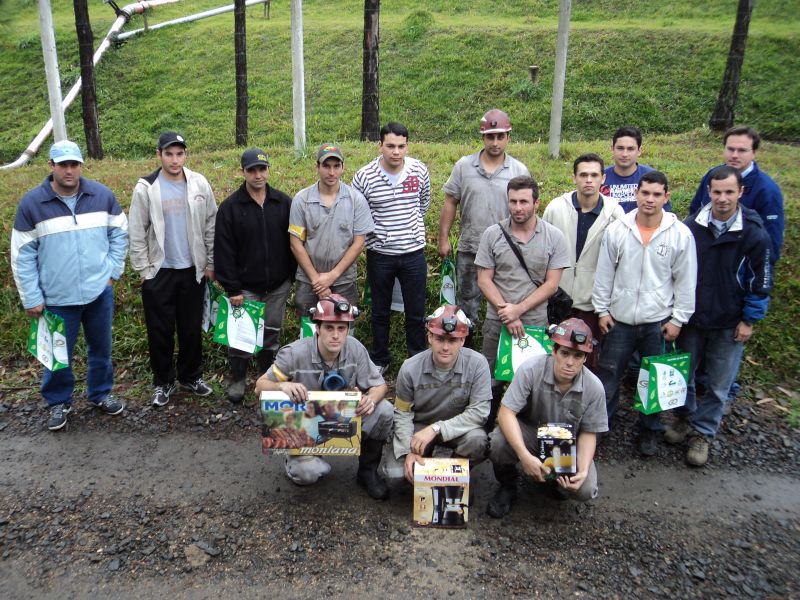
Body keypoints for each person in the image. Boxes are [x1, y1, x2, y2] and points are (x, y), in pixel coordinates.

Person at [11, 140, 128, 430]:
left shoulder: (101, 195)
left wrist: (112, 271)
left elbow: (120, 234)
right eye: (62, 164)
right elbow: (22, 255)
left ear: (81, 166)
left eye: (74, 164)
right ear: (50, 166)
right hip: (56, 298)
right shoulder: (32, 204)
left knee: (101, 349)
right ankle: (58, 402)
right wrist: (31, 297)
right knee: (57, 355)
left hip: (98, 293)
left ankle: (100, 393)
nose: (69, 170)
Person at [665, 166, 772, 466]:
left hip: (730, 321)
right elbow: (676, 272)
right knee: (683, 375)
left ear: (741, 192)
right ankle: (683, 418)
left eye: (729, 192)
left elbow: (760, 280)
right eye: (717, 192)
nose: (722, 198)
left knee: (717, 383)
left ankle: (703, 432)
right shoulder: (691, 227)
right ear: (708, 192)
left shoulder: (753, 233)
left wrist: (749, 319)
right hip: (692, 318)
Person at [592, 170, 697, 456]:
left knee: (654, 379)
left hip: (657, 322)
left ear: (667, 197)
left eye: (656, 194)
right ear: (636, 193)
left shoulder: (679, 234)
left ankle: (650, 430)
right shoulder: (618, 230)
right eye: (645, 193)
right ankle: (600, 426)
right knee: (609, 376)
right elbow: (604, 273)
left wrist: (678, 319)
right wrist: (601, 310)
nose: (649, 199)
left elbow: (685, 280)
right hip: (619, 320)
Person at [255, 295, 393, 499]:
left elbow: (380, 385)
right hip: (305, 423)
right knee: (307, 475)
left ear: (348, 329)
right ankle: (297, 458)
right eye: (329, 327)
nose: (336, 335)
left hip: (343, 418)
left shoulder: (355, 348)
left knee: (384, 410)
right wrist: (283, 385)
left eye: (342, 328)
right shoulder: (294, 353)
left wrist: (369, 398)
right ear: (317, 328)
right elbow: (260, 387)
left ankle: (367, 471)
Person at [486, 318, 608, 518]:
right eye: (565, 353)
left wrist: (583, 469)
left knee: (585, 488)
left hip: (566, 443)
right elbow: (506, 413)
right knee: (497, 442)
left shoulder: (594, 387)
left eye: (578, 356)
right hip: (531, 432)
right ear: (554, 350)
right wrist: (524, 456)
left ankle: (555, 481)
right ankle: (508, 485)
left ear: (586, 358)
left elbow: (589, 431)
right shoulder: (531, 369)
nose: (570, 362)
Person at [129, 131, 216, 407]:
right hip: (160, 271)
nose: (175, 159)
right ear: (159, 155)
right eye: (169, 154)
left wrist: (211, 262)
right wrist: (144, 270)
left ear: (185, 155)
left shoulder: (199, 183)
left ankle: (191, 376)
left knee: (191, 328)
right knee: (160, 330)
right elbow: (137, 230)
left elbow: (210, 224)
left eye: (179, 154)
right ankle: (163, 382)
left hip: (192, 269)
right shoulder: (146, 187)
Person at [475, 175, 570, 429]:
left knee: (532, 381)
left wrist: (518, 310)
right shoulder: (492, 234)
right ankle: (485, 430)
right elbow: (484, 279)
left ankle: (524, 431)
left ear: (536, 203)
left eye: (524, 202)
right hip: (498, 322)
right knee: (491, 380)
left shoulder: (554, 237)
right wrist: (507, 312)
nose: (518, 207)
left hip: (535, 324)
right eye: (513, 201)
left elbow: (552, 284)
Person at [214, 148, 296, 403]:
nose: (258, 175)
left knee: (271, 334)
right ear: (243, 172)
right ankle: (238, 378)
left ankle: (266, 378)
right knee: (242, 336)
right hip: (245, 288)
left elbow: (295, 242)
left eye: (262, 169)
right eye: (252, 170)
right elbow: (223, 250)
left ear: (268, 170)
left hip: (278, 285)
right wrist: (232, 288)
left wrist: (290, 277)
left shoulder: (283, 203)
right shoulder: (230, 207)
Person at [437, 109, 530, 329]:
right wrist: (443, 238)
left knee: (505, 304)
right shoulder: (464, 166)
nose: (495, 142)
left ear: (508, 137)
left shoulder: (518, 170)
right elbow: (451, 201)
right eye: (490, 136)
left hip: (505, 251)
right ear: (483, 137)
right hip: (471, 248)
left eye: (500, 136)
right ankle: (464, 348)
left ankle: (498, 350)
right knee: (466, 305)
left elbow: (526, 210)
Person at [352, 122, 431, 371]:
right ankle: (380, 358)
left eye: (401, 146)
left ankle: (416, 360)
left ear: (407, 146)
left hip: (413, 254)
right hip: (380, 255)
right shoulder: (364, 176)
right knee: (380, 311)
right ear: (380, 146)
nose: (396, 152)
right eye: (390, 146)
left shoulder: (419, 171)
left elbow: (423, 204)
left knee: (416, 312)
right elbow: (359, 213)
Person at [385, 304, 491, 484]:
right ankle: (423, 461)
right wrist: (407, 450)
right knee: (397, 474)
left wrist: (436, 428)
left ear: (463, 341)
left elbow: (479, 413)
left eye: (452, 340)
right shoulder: (410, 368)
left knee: (478, 441)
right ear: (429, 337)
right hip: (420, 428)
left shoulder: (477, 365)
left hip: (458, 429)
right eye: (440, 339)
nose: (445, 347)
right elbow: (402, 412)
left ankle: (454, 476)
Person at [542, 153, 625, 365]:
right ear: (574, 178)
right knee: (555, 356)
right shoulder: (556, 208)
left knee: (587, 359)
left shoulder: (614, 212)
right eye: (583, 174)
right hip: (559, 298)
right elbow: (543, 250)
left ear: (603, 178)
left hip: (593, 301)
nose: (589, 180)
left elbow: (620, 261)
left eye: (594, 175)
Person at [289, 144, 373, 315]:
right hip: (308, 281)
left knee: (343, 331)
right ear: (317, 167)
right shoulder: (302, 199)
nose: (331, 172)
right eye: (326, 166)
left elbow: (358, 243)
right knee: (309, 331)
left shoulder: (356, 200)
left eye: (336, 166)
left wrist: (333, 275)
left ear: (343, 167)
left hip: (343, 280)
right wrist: (317, 280)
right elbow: (295, 243)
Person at [689, 126, 783, 264]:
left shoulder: (767, 190)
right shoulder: (712, 175)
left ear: (754, 153)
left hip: (739, 271)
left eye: (742, 150)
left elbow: (771, 243)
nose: (734, 155)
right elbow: (695, 212)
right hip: (704, 264)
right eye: (730, 149)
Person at [600, 125, 671, 213]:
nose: (624, 154)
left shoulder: (652, 177)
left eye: (630, 149)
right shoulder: (600, 177)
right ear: (612, 149)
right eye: (620, 148)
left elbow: (664, 213)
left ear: (639, 151)